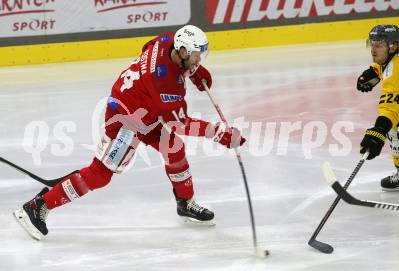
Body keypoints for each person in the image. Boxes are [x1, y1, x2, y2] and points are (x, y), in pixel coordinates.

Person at [13, 25, 246, 240]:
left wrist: (194, 70)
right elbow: (180, 122)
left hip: (146, 109)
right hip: (126, 120)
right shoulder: (166, 84)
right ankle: (38, 206)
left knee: (174, 148)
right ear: (183, 51)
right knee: (100, 174)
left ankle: (185, 202)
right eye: (196, 56)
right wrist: (220, 134)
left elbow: (147, 47)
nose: (198, 60)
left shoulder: (167, 41)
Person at [357, 24, 399, 191]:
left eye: (378, 45)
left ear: (392, 46)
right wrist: (373, 71)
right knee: (398, 124)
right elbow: (382, 65)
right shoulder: (398, 53)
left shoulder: (395, 71)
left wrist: (378, 131)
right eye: (371, 44)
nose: (373, 49)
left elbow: (389, 108)